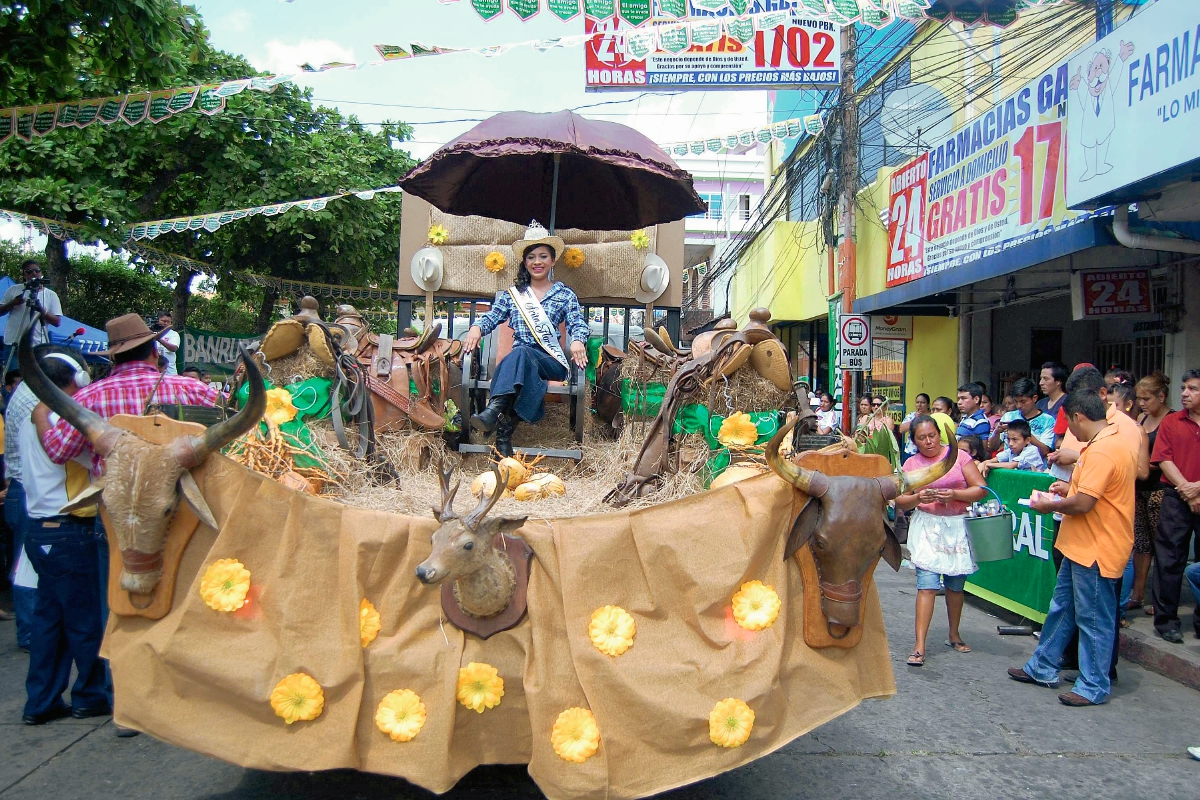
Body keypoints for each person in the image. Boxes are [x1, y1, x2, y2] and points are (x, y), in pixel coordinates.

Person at [39, 314, 220, 737]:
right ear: (155, 351)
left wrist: (41, 415)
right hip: (190, 517)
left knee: (123, 608)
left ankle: (131, 706)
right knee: (193, 601)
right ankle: (193, 698)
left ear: (112, 358)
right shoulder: (191, 389)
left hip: (121, 523)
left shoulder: (90, 396)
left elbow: (58, 451)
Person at [1013, 391, 1137, 706]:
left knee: (1093, 619)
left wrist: (1051, 504)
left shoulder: (1104, 449)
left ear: (1078, 417)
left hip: (1096, 546)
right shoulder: (1106, 443)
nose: (1068, 430)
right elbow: (1096, 493)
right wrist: (1068, 489)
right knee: (1063, 609)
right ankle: (1042, 665)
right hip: (1081, 544)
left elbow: (1084, 503)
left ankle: (1093, 685)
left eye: (1068, 422)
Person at [20, 348, 109, 725]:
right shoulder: (62, 419)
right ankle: (90, 695)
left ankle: (40, 702)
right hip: (70, 530)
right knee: (85, 620)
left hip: (40, 529)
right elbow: (95, 459)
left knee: (49, 623)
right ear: (78, 378)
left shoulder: (35, 417)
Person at [463, 223, 589, 457]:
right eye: (531, 257)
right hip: (521, 364)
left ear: (553, 260)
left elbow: (577, 324)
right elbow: (492, 317)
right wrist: (476, 328)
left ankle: (494, 411)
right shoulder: (514, 295)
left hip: (550, 361)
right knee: (521, 359)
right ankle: (504, 435)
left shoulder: (565, 295)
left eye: (543, 256)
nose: (537, 262)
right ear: (525, 262)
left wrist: (578, 340)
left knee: (520, 354)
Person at [896, 416, 987, 667]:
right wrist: (918, 498)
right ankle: (919, 645)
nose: (928, 442)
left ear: (939, 434)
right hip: (927, 528)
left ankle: (954, 634)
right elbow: (900, 500)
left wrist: (955, 494)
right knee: (926, 585)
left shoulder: (959, 457)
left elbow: (980, 489)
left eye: (932, 436)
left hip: (957, 527)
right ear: (914, 442)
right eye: (922, 438)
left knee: (955, 586)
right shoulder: (912, 464)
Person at [1148, 369, 1200, 645]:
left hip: (1195, 491)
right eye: (1184, 388)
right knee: (1169, 559)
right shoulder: (1172, 422)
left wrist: (1197, 487)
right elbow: (1163, 459)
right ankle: (1166, 621)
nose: (1185, 394)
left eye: (1193, 389)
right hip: (1175, 496)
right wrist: (1187, 490)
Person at [1129, 372, 1172, 613]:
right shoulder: (1142, 418)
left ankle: (1162, 598)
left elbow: (1169, 457)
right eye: (1139, 398)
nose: (1142, 403)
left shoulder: (1172, 420)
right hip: (1139, 488)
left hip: (1161, 488)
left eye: (1146, 399)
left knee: (1162, 545)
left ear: (1161, 397)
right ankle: (1138, 593)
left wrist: (1143, 465)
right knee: (1141, 543)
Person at [0, 261, 62, 374]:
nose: (34, 273)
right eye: (29, 271)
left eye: (37, 271)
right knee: (14, 378)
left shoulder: (50, 295)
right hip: (14, 343)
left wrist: (41, 310)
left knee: (37, 378)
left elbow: (57, 322)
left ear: (41, 273)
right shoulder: (14, 290)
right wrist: (13, 302)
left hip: (38, 344)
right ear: (24, 274)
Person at [988, 378, 1054, 462]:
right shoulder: (1008, 416)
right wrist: (997, 432)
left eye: (1023, 401)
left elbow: (1045, 451)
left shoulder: (1048, 421)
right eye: (1016, 401)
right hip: (1007, 466)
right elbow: (992, 448)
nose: (1019, 405)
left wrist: (1022, 432)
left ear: (1034, 398)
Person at [980, 419, 1045, 477]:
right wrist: (983, 464)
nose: (1010, 443)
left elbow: (1011, 465)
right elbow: (992, 460)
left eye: (1015, 439)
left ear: (1027, 440)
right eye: (1008, 439)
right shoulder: (1011, 451)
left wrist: (988, 465)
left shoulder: (1032, 450)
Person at [900, 393, 931, 461]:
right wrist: (915, 419)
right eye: (917, 402)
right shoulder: (911, 415)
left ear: (928, 404)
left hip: (927, 451)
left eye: (923, 403)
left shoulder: (932, 417)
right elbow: (901, 430)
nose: (919, 405)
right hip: (911, 450)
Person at [155, 311, 180, 376]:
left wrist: (158, 338)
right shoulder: (150, 333)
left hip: (170, 372)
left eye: (168, 322)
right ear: (158, 320)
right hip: (154, 371)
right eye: (163, 321)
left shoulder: (174, 334)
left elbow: (174, 348)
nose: (166, 323)